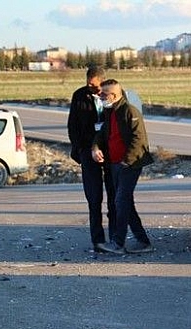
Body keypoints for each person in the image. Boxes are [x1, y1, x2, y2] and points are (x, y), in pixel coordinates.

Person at [91, 79, 155, 254]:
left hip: (129, 164)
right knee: (125, 203)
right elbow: (103, 134)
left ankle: (118, 243)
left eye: (104, 94)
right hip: (115, 165)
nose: (100, 96)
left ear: (113, 95)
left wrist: (126, 161)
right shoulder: (110, 112)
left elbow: (138, 139)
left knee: (120, 201)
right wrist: (95, 148)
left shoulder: (129, 111)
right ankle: (143, 241)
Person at [67, 65, 115, 253]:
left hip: (110, 153)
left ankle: (115, 238)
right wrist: (80, 149)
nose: (92, 88)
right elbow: (73, 125)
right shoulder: (79, 96)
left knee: (114, 196)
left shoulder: (112, 95)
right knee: (94, 198)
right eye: (89, 84)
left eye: (95, 86)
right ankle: (98, 240)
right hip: (87, 151)